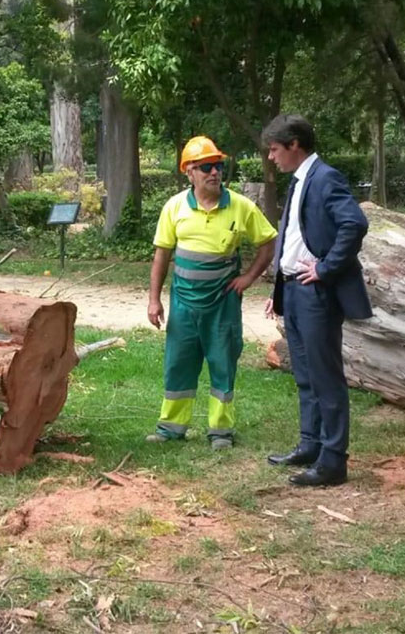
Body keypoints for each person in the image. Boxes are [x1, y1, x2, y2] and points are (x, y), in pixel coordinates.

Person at [262, 114, 373, 486]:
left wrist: (326, 268)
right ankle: (310, 445)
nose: (271, 158)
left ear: (295, 145)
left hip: (316, 293)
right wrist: (279, 284)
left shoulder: (325, 177)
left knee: (325, 377)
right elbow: (293, 235)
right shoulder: (300, 181)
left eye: (275, 150)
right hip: (293, 289)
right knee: (305, 374)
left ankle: (333, 460)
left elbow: (354, 223)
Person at [147, 135, 278, 449]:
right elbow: (162, 255)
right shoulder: (175, 207)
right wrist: (154, 299)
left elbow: (268, 244)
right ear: (189, 172)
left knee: (222, 363)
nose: (214, 172)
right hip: (183, 303)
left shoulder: (241, 207)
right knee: (178, 363)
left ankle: (221, 431)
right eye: (206, 167)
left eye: (218, 165)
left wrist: (247, 278)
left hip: (222, 304)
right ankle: (171, 429)